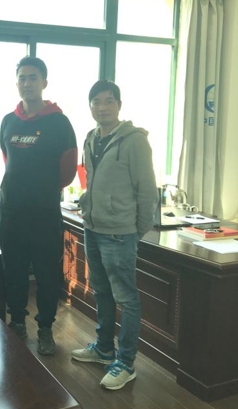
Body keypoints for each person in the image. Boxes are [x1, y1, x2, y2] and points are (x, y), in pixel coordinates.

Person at [71, 80, 158, 390]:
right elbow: (92, 181)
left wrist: (136, 229)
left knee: (127, 298)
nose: (102, 107)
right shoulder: (91, 138)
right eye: (96, 102)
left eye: (108, 101)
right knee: (101, 291)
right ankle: (104, 348)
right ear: (90, 106)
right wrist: (88, 204)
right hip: (93, 228)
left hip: (120, 233)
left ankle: (126, 362)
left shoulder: (135, 141)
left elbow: (146, 190)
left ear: (119, 105)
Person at [0, 56, 77, 355]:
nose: (27, 83)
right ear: (16, 82)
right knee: (14, 271)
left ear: (44, 82)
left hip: (44, 212)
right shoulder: (8, 120)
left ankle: (45, 328)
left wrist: (41, 189)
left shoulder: (59, 122)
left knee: (46, 274)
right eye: (22, 78)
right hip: (11, 211)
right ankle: (17, 321)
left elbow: (67, 172)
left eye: (33, 77)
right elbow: (8, 160)